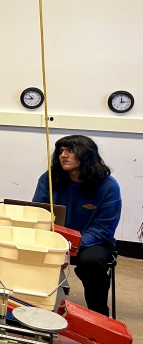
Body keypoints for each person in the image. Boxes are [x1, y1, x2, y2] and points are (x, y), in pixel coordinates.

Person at [32, 135, 121, 316]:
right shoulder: (49, 178)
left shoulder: (108, 186)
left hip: (93, 241)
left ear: (87, 155)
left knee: (92, 263)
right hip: (53, 237)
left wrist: (68, 246)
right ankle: (33, 307)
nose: (63, 155)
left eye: (70, 151)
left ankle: (98, 316)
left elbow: (104, 228)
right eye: (61, 151)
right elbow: (38, 213)